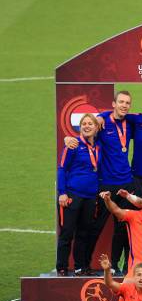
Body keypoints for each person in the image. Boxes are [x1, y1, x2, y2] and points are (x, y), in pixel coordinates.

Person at [64, 91, 136, 274]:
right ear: (114, 103)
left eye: (127, 103)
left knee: (124, 226)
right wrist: (68, 138)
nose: (124, 105)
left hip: (126, 183)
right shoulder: (102, 123)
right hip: (106, 185)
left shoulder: (132, 122)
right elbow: (87, 131)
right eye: (121, 102)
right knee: (95, 227)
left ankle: (123, 266)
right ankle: (83, 265)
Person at [56, 114, 100, 276]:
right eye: (84, 124)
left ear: (96, 128)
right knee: (67, 232)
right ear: (80, 127)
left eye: (90, 124)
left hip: (90, 197)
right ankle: (61, 267)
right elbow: (62, 168)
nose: (87, 126)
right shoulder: (73, 145)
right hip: (72, 195)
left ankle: (80, 267)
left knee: (83, 233)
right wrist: (62, 193)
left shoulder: (98, 146)